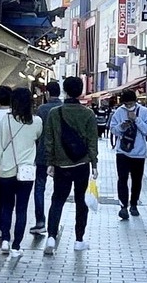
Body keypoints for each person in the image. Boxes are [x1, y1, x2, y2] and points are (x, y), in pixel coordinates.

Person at [42, 76, 98, 256]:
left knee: (57, 200)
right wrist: (94, 164)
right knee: (81, 202)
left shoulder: (54, 113)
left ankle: (51, 236)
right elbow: (92, 141)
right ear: (81, 91)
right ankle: (79, 240)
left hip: (61, 164)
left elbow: (49, 140)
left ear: (64, 91)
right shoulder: (88, 114)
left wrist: (50, 162)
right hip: (82, 164)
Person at [0, 87, 42, 257]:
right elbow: (37, 139)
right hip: (26, 172)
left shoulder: (6, 120)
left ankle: (5, 239)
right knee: (21, 209)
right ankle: (16, 246)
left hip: (6, 169)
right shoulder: (37, 122)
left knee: (6, 206)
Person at [109, 89, 147, 220]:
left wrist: (137, 120)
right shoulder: (119, 112)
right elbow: (113, 129)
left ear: (135, 101)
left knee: (136, 180)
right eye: (126, 104)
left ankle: (134, 204)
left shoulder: (144, 112)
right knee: (122, 179)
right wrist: (122, 126)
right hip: (122, 152)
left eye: (130, 103)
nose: (128, 106)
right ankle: (123, 206)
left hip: (138, 153)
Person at [30, 80, 63, 235]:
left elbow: (36, 132)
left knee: (39, 188)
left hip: (42, 154)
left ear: (47, 93)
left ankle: (40, 221)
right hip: (61, 156)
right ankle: (54, 222)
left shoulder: (42, 109)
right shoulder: (64, 108)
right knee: (58, 190)